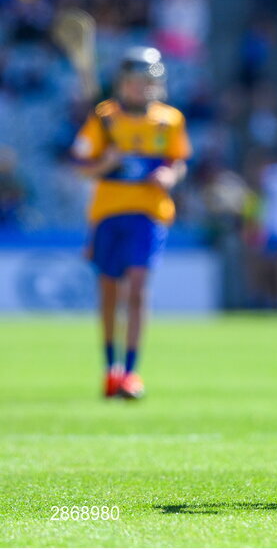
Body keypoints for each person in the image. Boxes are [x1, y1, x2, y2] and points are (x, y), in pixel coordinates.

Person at [72, 47, 191, 399]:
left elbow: (178, 161)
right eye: (135, 82)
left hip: (148, 214)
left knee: (137, 287)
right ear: (122, 84)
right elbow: (82, 166)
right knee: (109, 291)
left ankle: (132, 373)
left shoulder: (169, 120)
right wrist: (104, 164)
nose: (142, 88)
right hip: (108, 213)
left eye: (148, 82)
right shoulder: (103, 118)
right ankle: (111, 369)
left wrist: (170, 176)